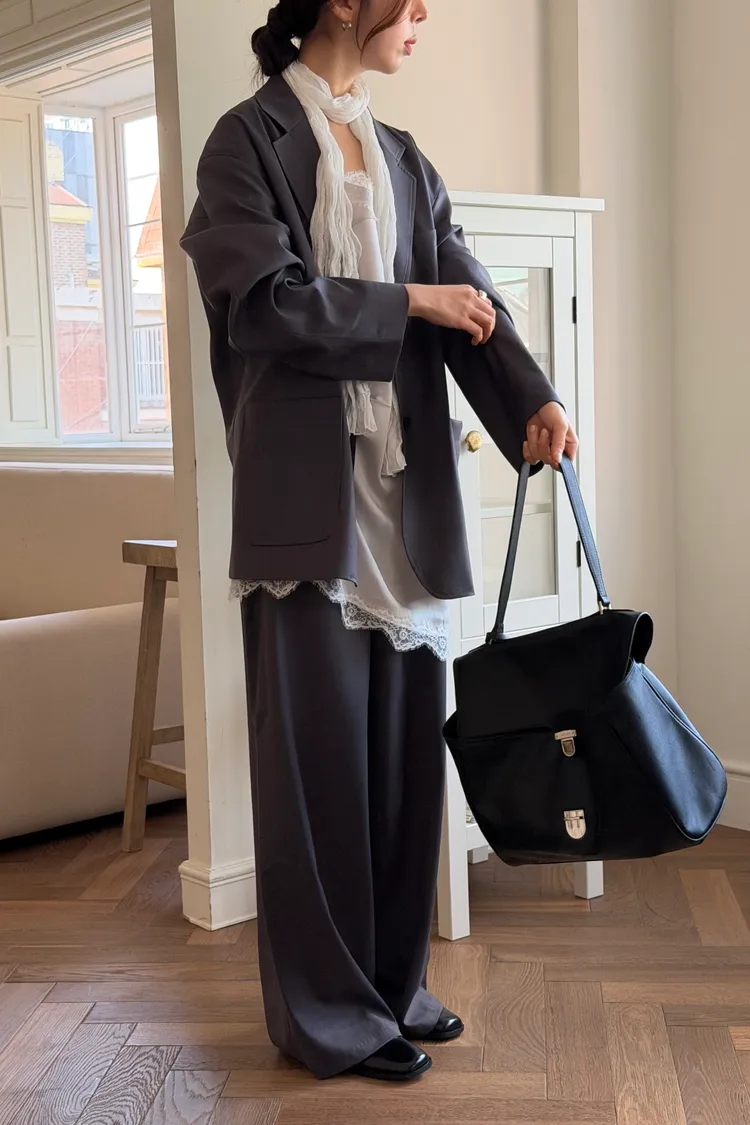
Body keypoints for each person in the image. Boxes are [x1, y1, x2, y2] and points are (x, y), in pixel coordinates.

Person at [181, 0, 578, 1084]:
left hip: (407, 500)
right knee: (315, 775)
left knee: (405, 763)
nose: (423, 16)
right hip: (305, 503)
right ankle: (327, 1013)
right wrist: (409, 300)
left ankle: (393, 987)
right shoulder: (245, 143)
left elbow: (469, 300)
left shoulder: (403, 154)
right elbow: (265, 305)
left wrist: (532, 400)